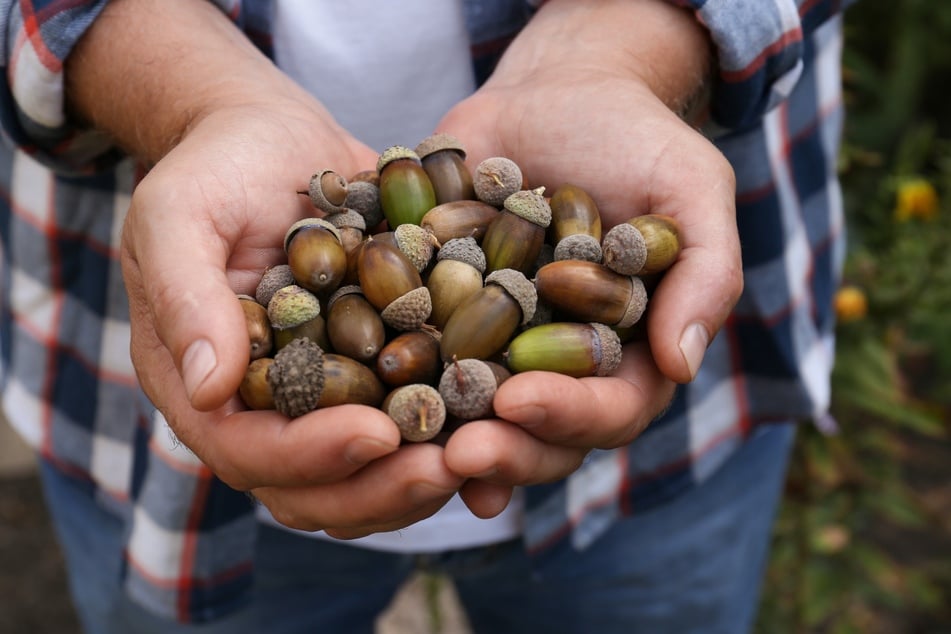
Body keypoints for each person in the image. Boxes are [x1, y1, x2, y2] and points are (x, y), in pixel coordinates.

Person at [0, 0, 854, 632]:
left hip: (679, 453)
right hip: (141, 422)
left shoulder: (495, 266)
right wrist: (189, 97)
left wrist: (621, 44)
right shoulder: (366, 296)